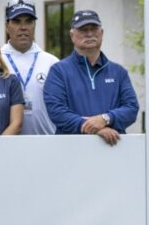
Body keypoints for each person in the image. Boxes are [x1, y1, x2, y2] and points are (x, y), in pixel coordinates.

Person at [43, 9, 139, 147]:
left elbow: (131, 108)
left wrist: (105, 119)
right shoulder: (58, 71)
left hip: (113, 150)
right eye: (83, 29)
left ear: (102, 33)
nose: (89, 34)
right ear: (72, 35)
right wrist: (94, 127)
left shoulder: (118, 72)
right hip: (70, 152)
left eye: (94, 29)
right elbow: (57, 112)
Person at [1, 0, 59, 135]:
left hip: (45, 144)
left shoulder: (52, 63)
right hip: (6, 147)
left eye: (29, 21)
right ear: (7, 26)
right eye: (16, 21)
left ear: (34, 25)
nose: (23, 27)